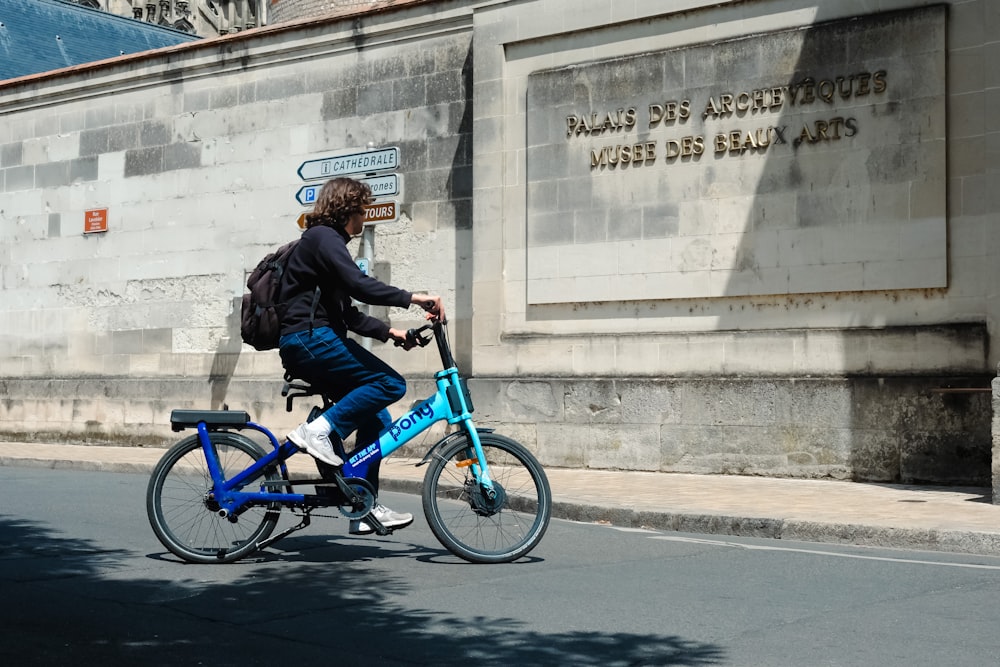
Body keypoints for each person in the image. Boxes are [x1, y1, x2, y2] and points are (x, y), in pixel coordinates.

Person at [278, 176, 443, 535]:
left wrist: (391, 332)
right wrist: (414, 298)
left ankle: (363, 506)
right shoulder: (322, 238)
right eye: (362, 211)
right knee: (389, 383)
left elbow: (348, 313)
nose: (364, 219)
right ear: (347, 209)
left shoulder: (328, 244)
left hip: (315, 339)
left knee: (378, 421)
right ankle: (318, 430)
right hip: (310, 339)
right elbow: (358, 284)